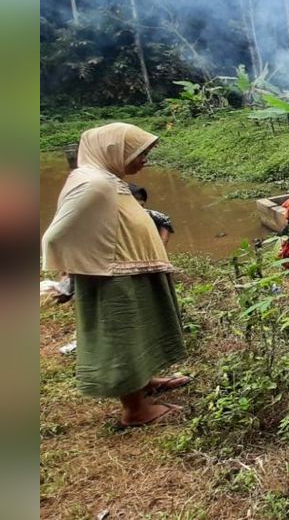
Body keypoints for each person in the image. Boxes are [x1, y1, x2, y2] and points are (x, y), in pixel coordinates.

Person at [42, 123, 190, 427]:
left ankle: (144, 381)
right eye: (139, 153)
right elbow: (56, 234)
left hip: (129, 269)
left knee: (139, 330)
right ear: (114, 152)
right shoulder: (94, 183)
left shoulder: (107, 179)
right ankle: (135, 411)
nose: (145, 159)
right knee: (124, 336)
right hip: (113, 276)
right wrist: (71, 266)